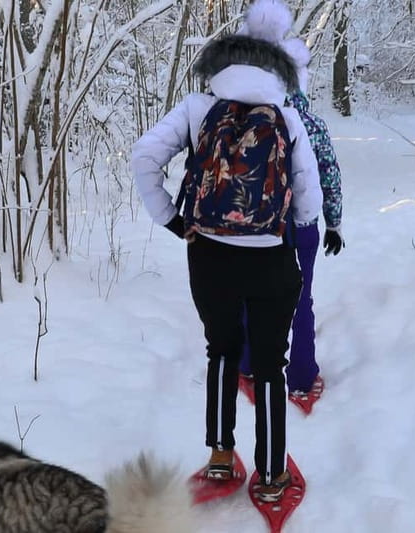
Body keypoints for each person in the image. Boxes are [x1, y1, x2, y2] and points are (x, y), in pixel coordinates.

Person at [131, 30, 322, 501]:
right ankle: (273, 475)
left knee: (221, 350)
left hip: (211, 255)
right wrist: (292, 230)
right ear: (275, 71)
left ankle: (220, 457)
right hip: (271, 256)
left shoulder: (198, 108)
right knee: (271, 366)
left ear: (219, 67)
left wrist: (174, 221)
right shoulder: (287, 115)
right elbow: (308, 194)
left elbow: (144, 155)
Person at [239, 32, 345, 398]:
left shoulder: (251, 118)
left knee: (253, 295)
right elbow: (329, 173)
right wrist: (334, 222)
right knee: (301, 298)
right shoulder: (313, 123)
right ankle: (301, 378)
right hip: (303, 225)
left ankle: (248, 365)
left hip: (258, 228)